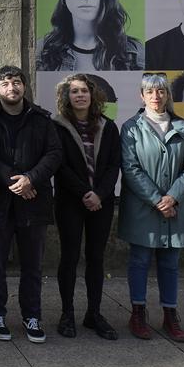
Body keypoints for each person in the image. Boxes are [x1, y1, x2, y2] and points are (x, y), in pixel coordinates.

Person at [0, 65, 61, 344]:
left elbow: (54, 153)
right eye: (6, 84)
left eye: (16, 83)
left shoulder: (41, 119)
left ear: (24, 87)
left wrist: (31, 179)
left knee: (33, 265)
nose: (12, 88)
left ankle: (31, 315)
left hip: (33, 203)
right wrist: (15, 181)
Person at [119, 73, 184, 342]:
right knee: (139, 261)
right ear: (142, 96)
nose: (156, 96)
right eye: (150, 92)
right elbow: (130, 169)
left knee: (170, 263)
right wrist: (157, 199)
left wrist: (173, 197)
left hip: (174, 208)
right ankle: (138, 313)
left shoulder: (182, 127)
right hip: (144, 208)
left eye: (161, 91)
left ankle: (170, 315)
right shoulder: (131, 128)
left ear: (167, 95)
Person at [51, 73, 121, 341]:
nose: (79, 95)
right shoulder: (57, 126)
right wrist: (84, 192)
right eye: (74, 91)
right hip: (71, 201)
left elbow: (114, 165)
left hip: (101, 203)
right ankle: (66, 313)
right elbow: (60, 165)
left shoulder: (108, 126)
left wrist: (99, 194)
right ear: (66, 97)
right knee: (69, 257)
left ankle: (94, 313)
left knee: (96, 258)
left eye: (84, 91)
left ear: (93, 95)